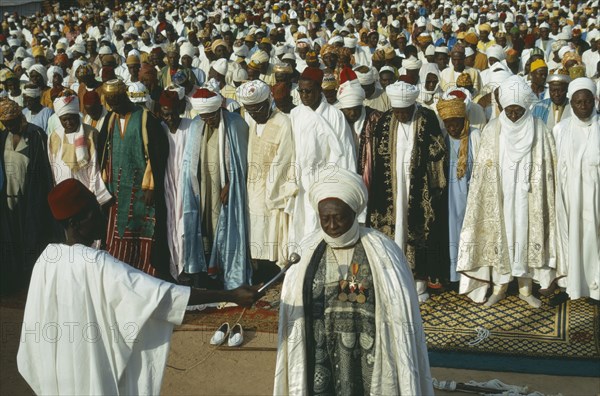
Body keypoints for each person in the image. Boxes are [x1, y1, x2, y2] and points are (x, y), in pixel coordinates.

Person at [17, 178, 263, 396]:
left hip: (57, 380)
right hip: (90, 380)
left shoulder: (46, 260)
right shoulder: (97, 264)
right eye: (96, 211)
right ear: (76, 222)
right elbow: (161, 295)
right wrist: (230, 294)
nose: (105, 217)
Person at [274, 168, 432, 395]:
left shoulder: (384, 252)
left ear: (354, 213)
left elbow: (400, 309)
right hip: (319, 349)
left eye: (339, 217)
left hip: (371, 350)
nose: (331, 226)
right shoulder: (306, 252)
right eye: (325, 219)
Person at [457, 76, 557, 308]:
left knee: (524, 236)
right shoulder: (493, 130)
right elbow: (483, 171)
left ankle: (525, 288)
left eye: (518, 111)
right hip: (500, 196)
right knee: (500, 238)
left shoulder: (539, 130)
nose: (513, 115)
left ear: (525, 108)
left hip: (528, 197)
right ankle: (499, 287)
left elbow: (547, 169)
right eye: (509, 110)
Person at [366, 81, 448, 302]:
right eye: (397, 112)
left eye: (405, 112)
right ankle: (392, 281)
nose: (401, 116)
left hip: (418, 187)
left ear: (413, 106)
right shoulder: (384, 121)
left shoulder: (428, 119)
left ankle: (419, 284)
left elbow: (438, 152)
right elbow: (376, 158)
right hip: (390, 188)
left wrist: (435, 186)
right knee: (393, 230)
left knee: (418, 231)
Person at [98, 79, 171, 279]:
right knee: (117, 234)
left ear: (124, 96)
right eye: (110, 102)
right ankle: (121, 276)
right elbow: (104, 152)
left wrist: (151, 187)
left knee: (144, 232)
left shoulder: (146, 118)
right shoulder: (110, 119)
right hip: (117, 189)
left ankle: (146, 276)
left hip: (141, 189)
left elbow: (156, 155)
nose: (114, 106)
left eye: (117, 101)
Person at [181, 88, 250, 289]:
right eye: (204, 116)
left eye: (211, 116)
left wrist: (232, 183)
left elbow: (242, 162)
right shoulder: (196, 125)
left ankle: (229, 274)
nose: (208, 120)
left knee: (225, 228)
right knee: (205, 229)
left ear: (218, 109)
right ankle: (206, 272)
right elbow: (189, 163)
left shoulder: (235, 124)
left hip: (225, 189)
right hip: (203, 189)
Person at [289, 66, 357, 249]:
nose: (304, 95)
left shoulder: (335, 116)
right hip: (302, 182)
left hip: (327, 182)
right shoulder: (295, 114)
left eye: (308, 91)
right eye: (300, 91)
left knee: (322, 227)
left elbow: (346, 154)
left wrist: (342, 189)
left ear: (319, 89)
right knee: (302, 227)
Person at [236, 80, 296, 279]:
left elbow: (285, 159)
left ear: (268, 101)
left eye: (258, 109)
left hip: (273, 193)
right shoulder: (252, 123)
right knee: (256, 237)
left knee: (273, 239)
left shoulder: (283, 123)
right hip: (253, 190)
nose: (255, 114)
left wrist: (272, 190)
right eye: (250, 110)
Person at [0, 98, 59, 295]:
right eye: (5, 124)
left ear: (19, 117)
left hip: (30, 200)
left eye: (12, 122)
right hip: (8, 200)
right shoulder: (3, 137)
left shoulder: (35, 135)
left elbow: (43, 173)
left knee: (31, 240)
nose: (9, 127)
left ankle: (32, 287)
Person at [552, 78, 599, 305]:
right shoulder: (560, 130)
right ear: (571, 103)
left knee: (594, 240)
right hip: (570, 197)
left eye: (587, 101)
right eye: (578, 102)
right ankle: (570, 285)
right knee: (571, 239)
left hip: (596, 197)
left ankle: (596, 287)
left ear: (594, 101)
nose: (583, 106)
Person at [437, 96, 481, 286]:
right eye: (449, 124)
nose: (453, 128)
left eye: (456, 123)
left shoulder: (475, 136)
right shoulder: (442, 139)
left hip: (470, 196)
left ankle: (471, 279)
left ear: (464, 120)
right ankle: (454, 277)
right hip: (449, 200)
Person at [47, 93, 112, 206]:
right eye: (64, 120)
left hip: (85, 191)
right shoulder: (54, 136)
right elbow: (52, 165)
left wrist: (96, 193)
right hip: (62, 190)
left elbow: (95, 166)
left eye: (71, 118)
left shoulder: (90, 134)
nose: (68, 123)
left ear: (78, 116)